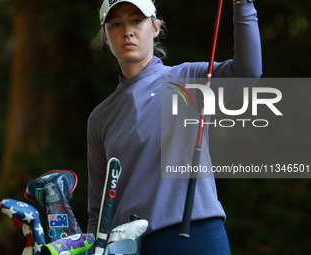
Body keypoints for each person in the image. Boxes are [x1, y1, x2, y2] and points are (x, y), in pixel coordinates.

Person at [87, 0, 262, 254]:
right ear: (106, 35)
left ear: (156, 27)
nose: (127, 32)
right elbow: (98, 211)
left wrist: (243, 4)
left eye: (137, 21)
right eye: (116, 24)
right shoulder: (99, 117)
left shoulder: (188, 78)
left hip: (198, 235)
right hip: (130, 247)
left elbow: (248, 71)